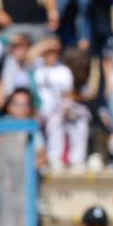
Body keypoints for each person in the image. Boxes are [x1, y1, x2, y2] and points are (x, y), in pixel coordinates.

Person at [34, 39, 88, 172]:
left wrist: (67, 107)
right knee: (55, 121)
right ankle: (54, 158)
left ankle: (77, 160)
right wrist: (46, 44)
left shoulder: (63, 70)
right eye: (48, 53)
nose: (51, 57)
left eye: (54, 54)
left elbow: (68, 94)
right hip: (39, 110)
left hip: (60, 107)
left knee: (81, 117)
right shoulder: (37, 68)